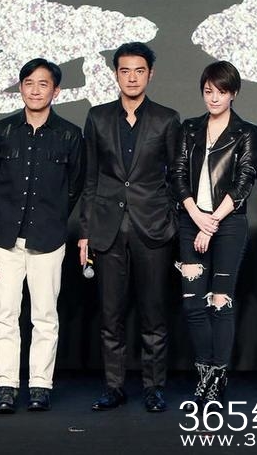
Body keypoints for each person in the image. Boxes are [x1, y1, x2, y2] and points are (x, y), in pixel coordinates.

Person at [78, 42, 180, 413]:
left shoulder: (167, 119)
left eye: (139, 70)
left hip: (152, 228)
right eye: (125, 71)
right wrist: (86, 232)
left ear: (150, 74)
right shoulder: (98, 117)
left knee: (154, 315)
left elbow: (177, 177)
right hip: (107, 229)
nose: (132, 78)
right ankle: (114, 387)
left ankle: (154, 388)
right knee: (111, 316)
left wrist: (170, 220)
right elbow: (91, 178)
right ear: (115, 74)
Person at [0, 58, 84, 414]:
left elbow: (75, 186)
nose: (35, 90)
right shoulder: (2, 131)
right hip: (5, 238)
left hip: (48, 238)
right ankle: (6, 387)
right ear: (20, 87)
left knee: (44, 316)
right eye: (29, 83)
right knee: (5, 315)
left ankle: (40, 386)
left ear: (55, 91)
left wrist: (54, 218)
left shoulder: (69, 134)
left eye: (43, 84)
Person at [170, 61, 257, 411]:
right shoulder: (190, 128)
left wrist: (212, 221)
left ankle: (216, 381)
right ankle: (204, 375)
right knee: (193, 304)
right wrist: (197, 217)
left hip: (229, 224)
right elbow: (177, 174)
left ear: (233, 93)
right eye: (208, 91)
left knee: (221, 302)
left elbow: (244, 180)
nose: (214, 98)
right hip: (191, 220)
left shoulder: (245, 132)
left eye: (221, 91)